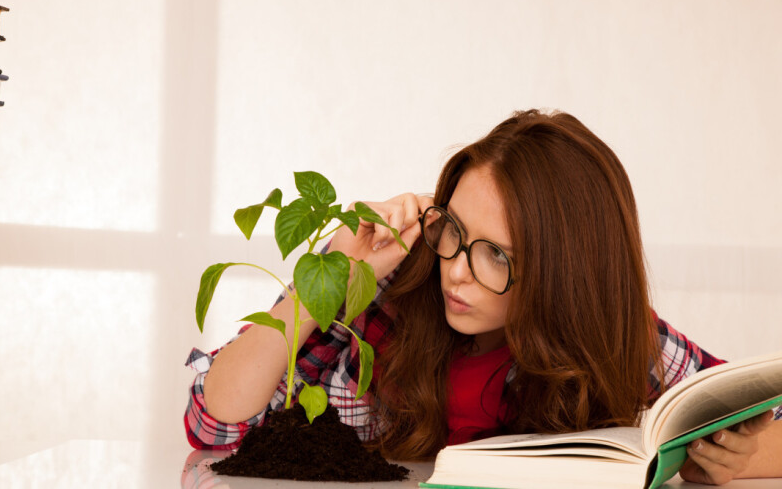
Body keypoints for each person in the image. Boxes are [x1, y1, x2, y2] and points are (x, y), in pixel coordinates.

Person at [185, 109, 782, 485]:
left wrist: (754, 459)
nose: (457, 273)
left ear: (566, 276)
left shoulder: (618, 340)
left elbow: (752, 410)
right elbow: (215, 427)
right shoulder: (390, 301)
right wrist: (328, 280)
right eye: (453, 232)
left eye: (497, 255)